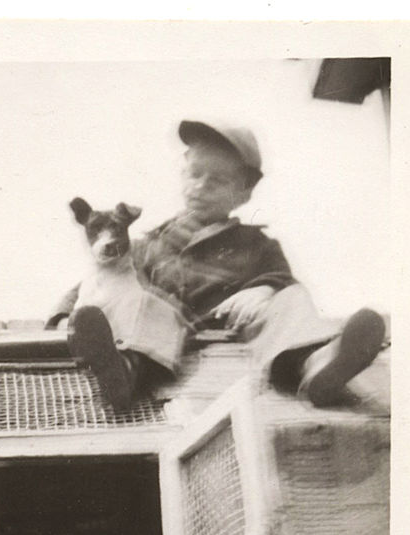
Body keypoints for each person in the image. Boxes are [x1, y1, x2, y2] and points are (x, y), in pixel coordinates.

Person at [46, 120, 386, 413]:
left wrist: (264, 288)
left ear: (244, 192)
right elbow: (101, 274)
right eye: (195, 174)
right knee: (146, 306)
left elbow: (280, 275)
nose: (201, 186)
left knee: (291, 298)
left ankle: (318, 366)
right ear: (182, 174)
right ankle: (122, 371)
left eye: (218, 180)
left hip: (234, 323)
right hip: (168, 330)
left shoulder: (255, 243)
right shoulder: (151, 243)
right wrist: (65, 316)